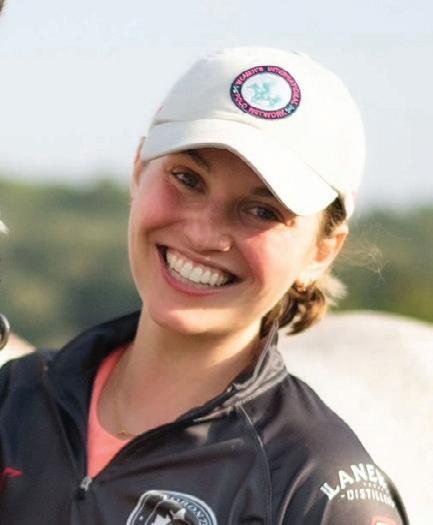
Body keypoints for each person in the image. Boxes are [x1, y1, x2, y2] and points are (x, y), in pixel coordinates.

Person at [0, 47, 409, 524]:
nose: (202, 235)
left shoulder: (317, 491)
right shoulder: (15, 396)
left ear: (322, 251)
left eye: (262, 211)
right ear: (138, 169)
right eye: (187, 178)